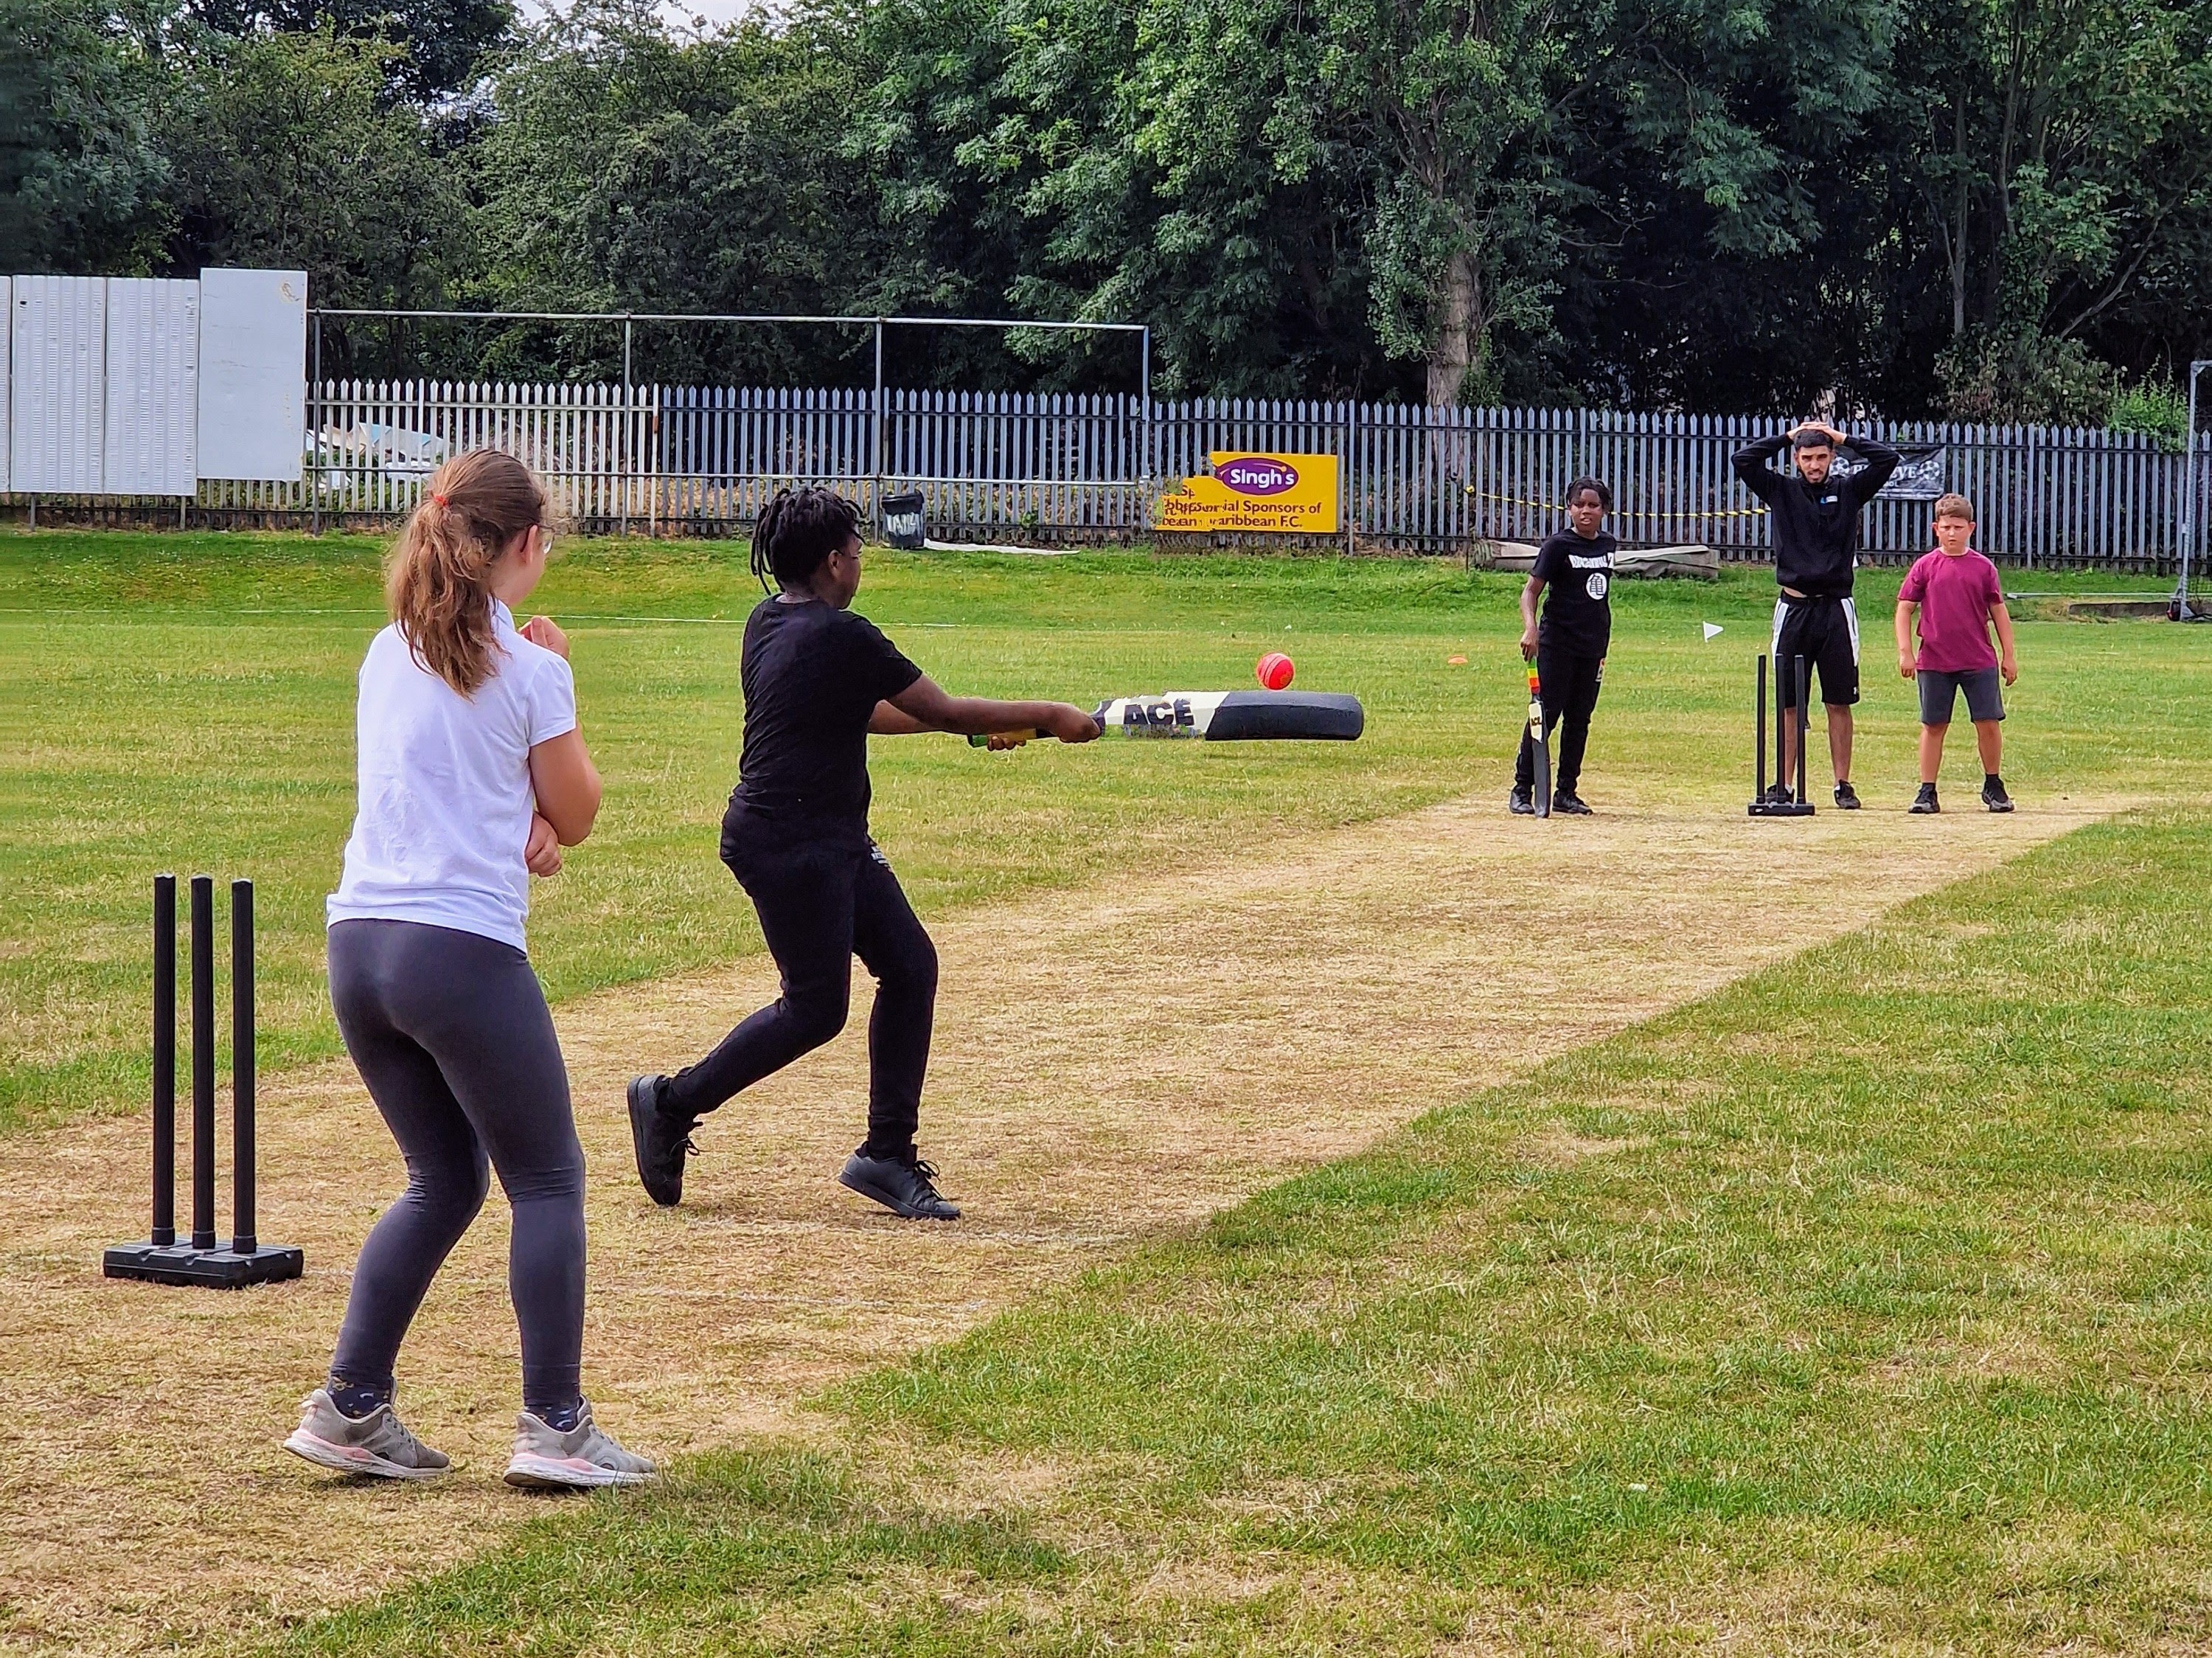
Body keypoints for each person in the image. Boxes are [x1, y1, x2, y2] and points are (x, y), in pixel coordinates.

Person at [285, 449, 654, 1490]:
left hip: (361, 946)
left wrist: (520, 819)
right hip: (460, 951)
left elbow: (451, 782)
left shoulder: (382, 650)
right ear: (526, 545)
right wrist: (553, 706)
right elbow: (577, 815)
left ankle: (352, 1408)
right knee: (548, 1179)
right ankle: (557, 1428)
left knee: (443, 1179)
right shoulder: (535, 669)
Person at [626, 487, 1099, 1223]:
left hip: (828, 835)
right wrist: (1050, 716)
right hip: (788, 843)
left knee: (911, 966)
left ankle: (886, 1153)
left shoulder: (769, 622)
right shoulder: (842, 633)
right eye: (855, 550)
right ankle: (670, 1101)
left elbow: (865, 714)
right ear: (831, 563)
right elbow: (937, 707)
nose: (859, 561)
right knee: (815, 1008)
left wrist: (976, 734)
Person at [1732, 420, 1901, 807]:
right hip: (1793, 607)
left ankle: (1843, 784)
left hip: (1836, 609)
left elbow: (1887, 459)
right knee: (1790, 702)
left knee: (1838, 701)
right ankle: (1785, 784)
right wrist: (1786, 436)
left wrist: (1843, 437)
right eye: (1807, 457)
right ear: (1796, 459)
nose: (1814, 464)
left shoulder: (1849, 490)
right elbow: (1742, 460)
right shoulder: (1781, 490)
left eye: (1822, 457)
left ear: (1832, 458)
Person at [1895, 493, 2018, 814]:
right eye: (1947, 527)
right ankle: (1927, 790)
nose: (1952, 533)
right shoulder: (1926, 566)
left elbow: (1999, 612)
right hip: (1935, 660)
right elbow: (1904, 609)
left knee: (1988, 722)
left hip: (1978, 659)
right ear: (1936, 528)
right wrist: (1906, 652)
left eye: (1959, 527)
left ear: (1971, 528)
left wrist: (2009, 655)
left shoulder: (1983, 568)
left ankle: (1993, 784)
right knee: (1933, 725)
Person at [1510, 476, 1614, 816]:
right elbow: (1530, 592)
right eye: (1579, 505)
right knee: (1545, 716)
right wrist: (1531, 630)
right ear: (1569, 508)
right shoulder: (1557, 546)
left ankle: (1566, 792)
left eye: (1593, 506)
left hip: (1593, 646)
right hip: (1557, 643)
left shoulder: (1608, 545)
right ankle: (1522, 789)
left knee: (1580, 719)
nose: (1586, 511)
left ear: (1604, 510)